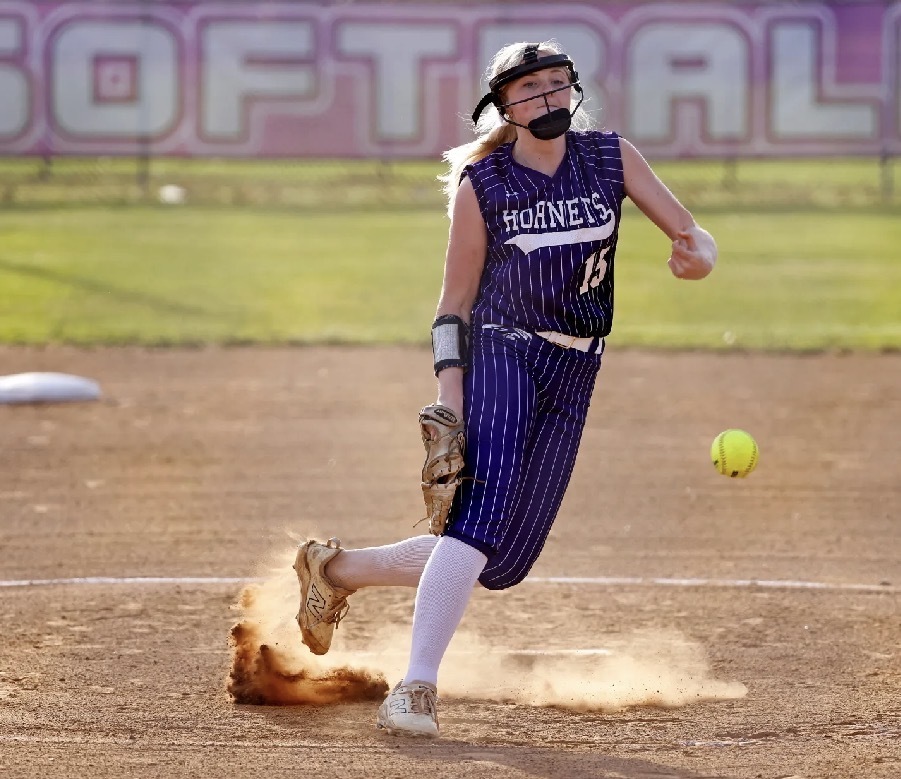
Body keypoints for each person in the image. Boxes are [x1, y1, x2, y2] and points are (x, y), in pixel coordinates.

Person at [293, 39, 717, 738]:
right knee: (481, 519)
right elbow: (451, 307)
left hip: (576, 365)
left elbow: (692, 237)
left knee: (503, 560)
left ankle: (334, 569)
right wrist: (449, 399)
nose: (546, 99)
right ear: (503, 106)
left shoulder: (610, 156)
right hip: (501, 353)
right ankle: (414, 688)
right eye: (529, 90)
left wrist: (695, 255)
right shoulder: (483, 185)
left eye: (556, 84)